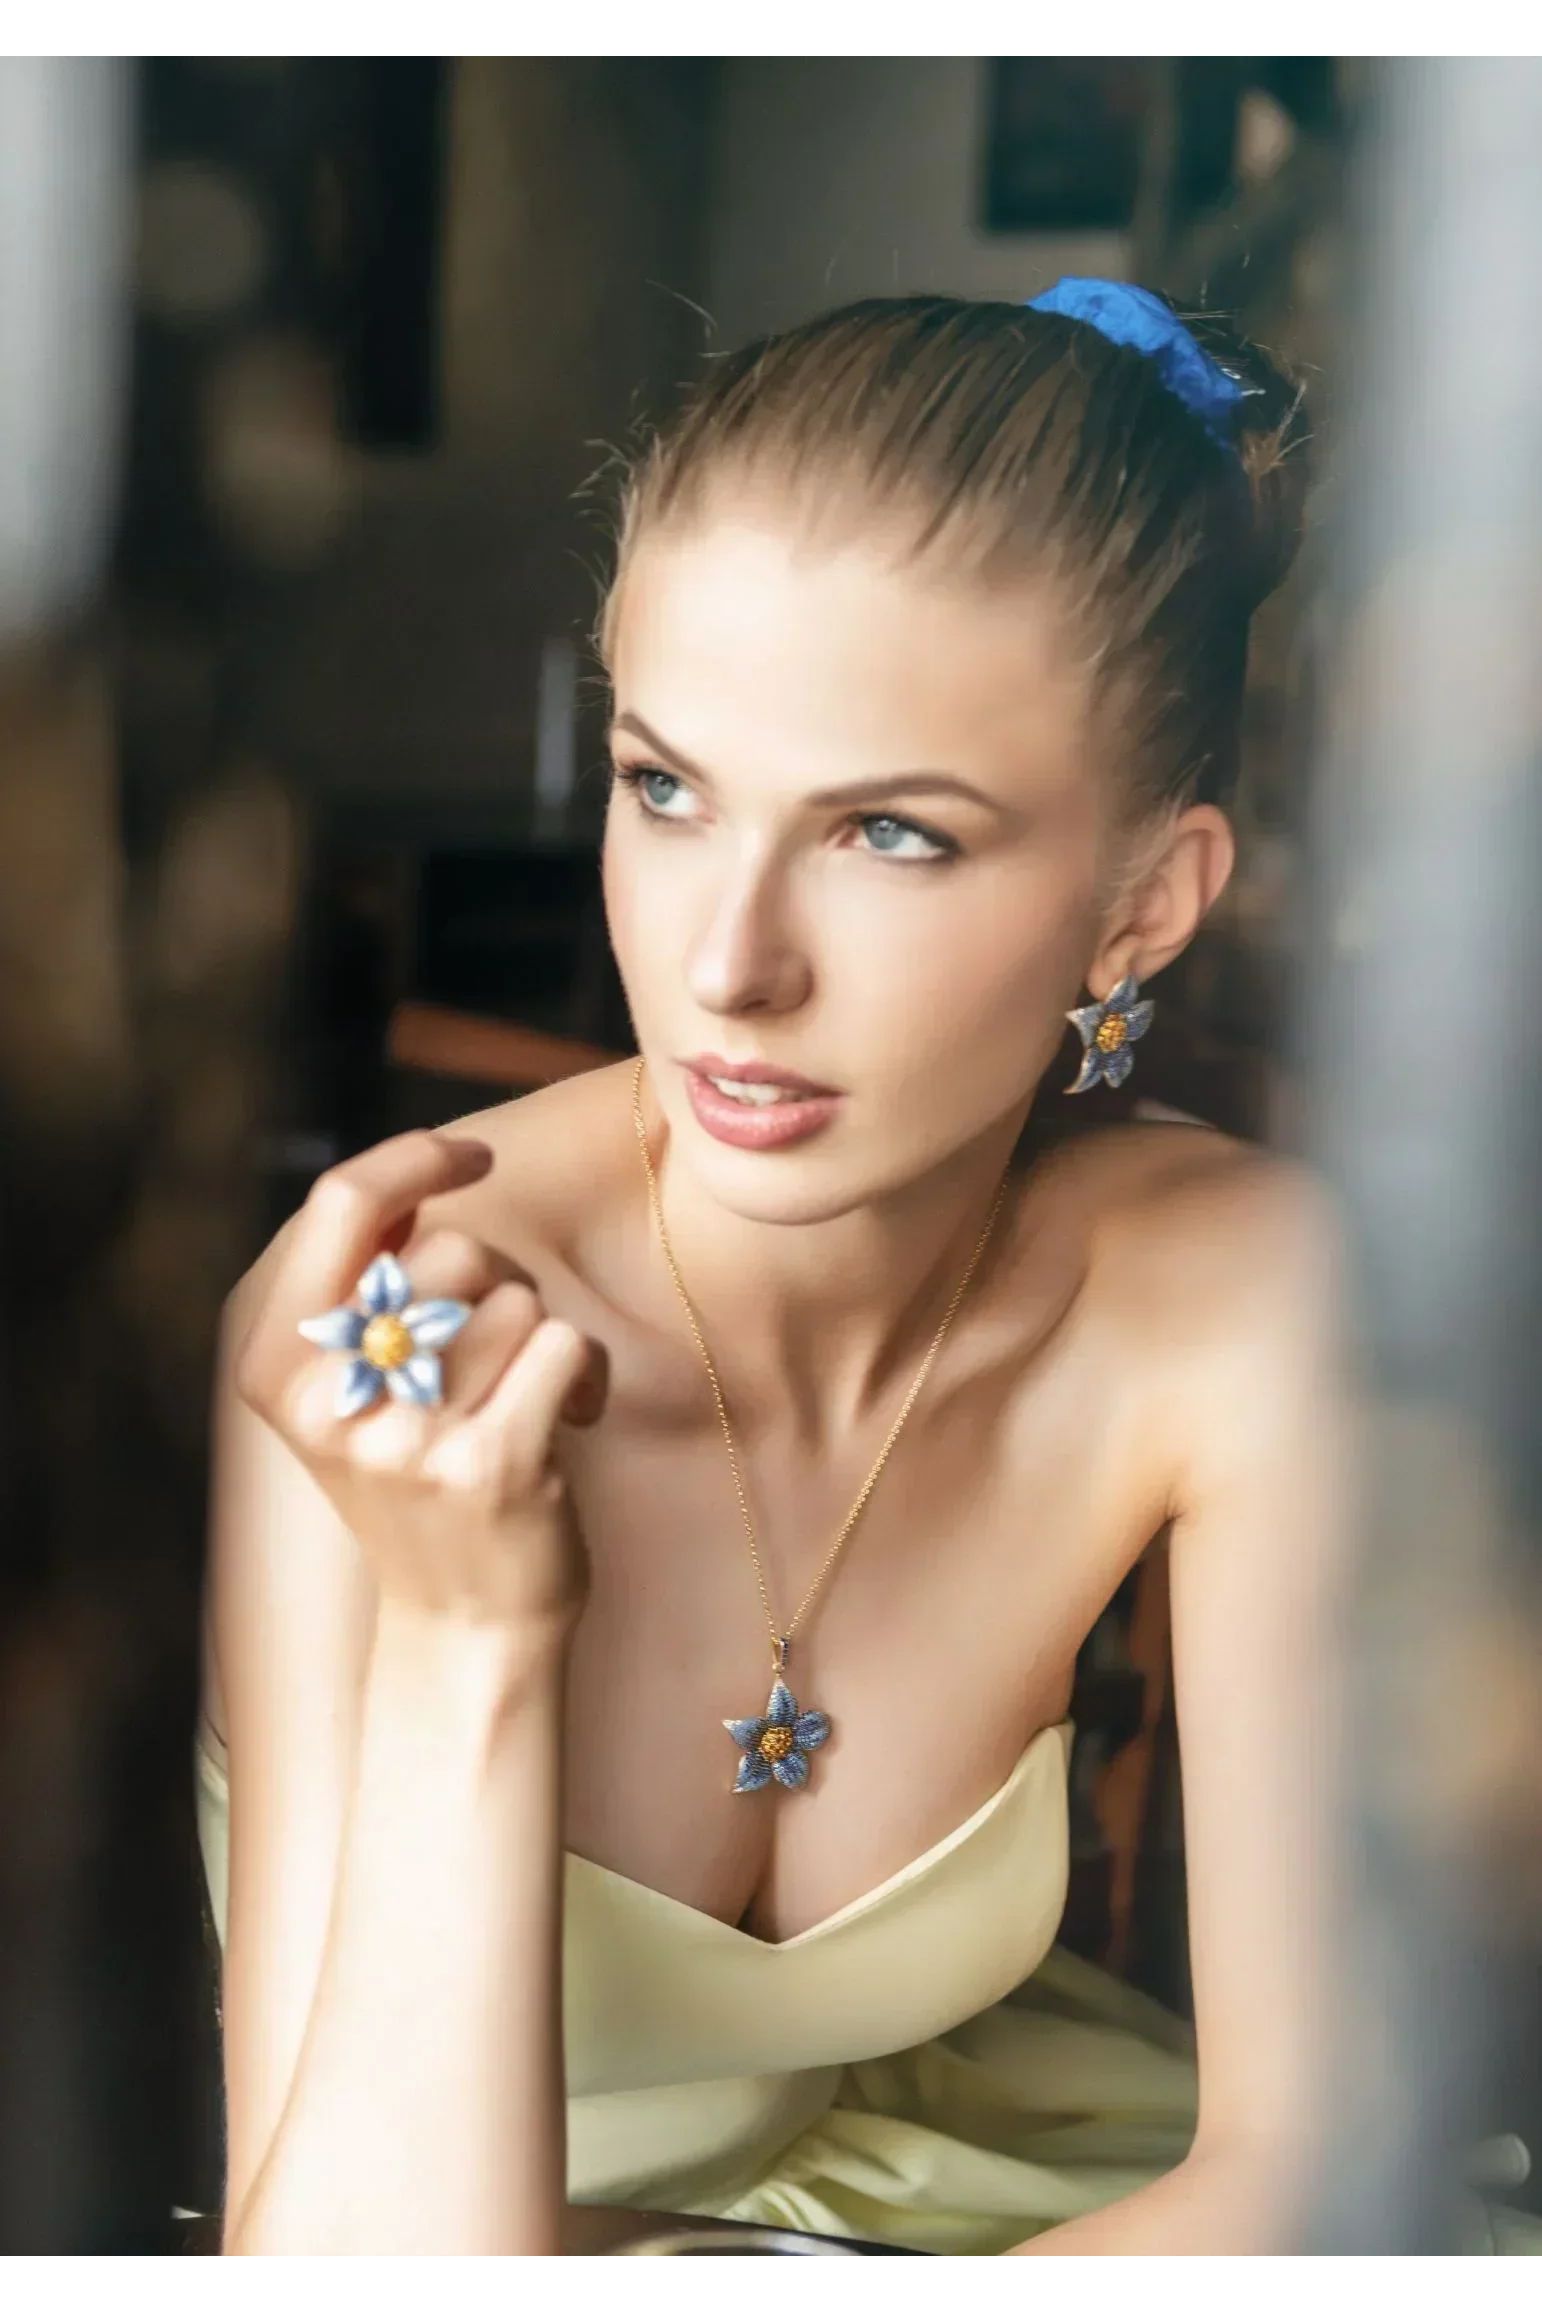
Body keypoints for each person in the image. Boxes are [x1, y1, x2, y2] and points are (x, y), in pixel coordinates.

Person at [193, 280, 1433, 2255]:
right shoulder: (400, 1324)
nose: (725, 964)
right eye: (666, 788)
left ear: (1144, 905)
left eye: (891, 835)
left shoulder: (1233, 1297)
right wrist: (471, 1630)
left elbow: (1307, 2167)